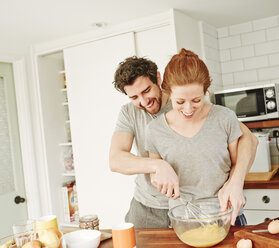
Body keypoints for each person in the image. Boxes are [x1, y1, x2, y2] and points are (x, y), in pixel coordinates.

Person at [110, 55, 258, 228]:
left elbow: (247, 138)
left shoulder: (187, 99)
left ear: (159, 79)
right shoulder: (130, 113)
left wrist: (235, 181)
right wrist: (158, 166)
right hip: (150, 204)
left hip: (204, 208)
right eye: (134, 97)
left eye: (146, 91)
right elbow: (116, 160)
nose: (143, 101)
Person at [145, 48, 253, 225]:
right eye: (180, 102)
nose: (188, 109)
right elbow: (154, 173)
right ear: (168, 93)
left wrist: (235, 184)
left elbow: (236, 164)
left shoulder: (224, 118)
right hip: (182, 220)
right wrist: (158, 179)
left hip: (226, 216)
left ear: (206, 91)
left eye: (196, 100)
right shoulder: (155, 129)